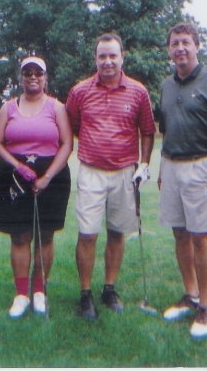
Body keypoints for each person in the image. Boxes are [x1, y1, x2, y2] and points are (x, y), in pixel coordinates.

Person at [66, 32, 156, 320]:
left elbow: (147, 130)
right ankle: (85, 294)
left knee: (117, 232)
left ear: (122, 57)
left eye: (112, 55)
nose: (107, 61)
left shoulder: (138, 91)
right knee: (88, 234)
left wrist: (144, 163)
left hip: (124, 172)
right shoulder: (80, 91)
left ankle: (109, 288)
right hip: (91, 171)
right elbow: (73, 125)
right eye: (102, 56)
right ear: (95, 58)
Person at [157, 22, 207, 338]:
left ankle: (206, 306)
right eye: (175, 43)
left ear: (197, 45)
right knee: (180, 233)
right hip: (172, 165)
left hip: (202, 166)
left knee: (202, 237)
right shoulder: (166, 85)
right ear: (169, 50)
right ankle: (190, 295)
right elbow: (168, 130)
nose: (180, 48)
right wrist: (163, 170)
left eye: (185, 42)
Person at [0, 56, 72, 318]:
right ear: (21, 77)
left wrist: (47, 176)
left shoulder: (56, 108)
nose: (33, 77)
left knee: (45, 235)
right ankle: (21, 294)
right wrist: (17, 166)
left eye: (38, 72)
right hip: (15, 176)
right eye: (28, 72)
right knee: (20, 235)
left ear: (45, 77)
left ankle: (39, 290)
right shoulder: (8, 108)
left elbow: (67, 145)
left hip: (52, 176)